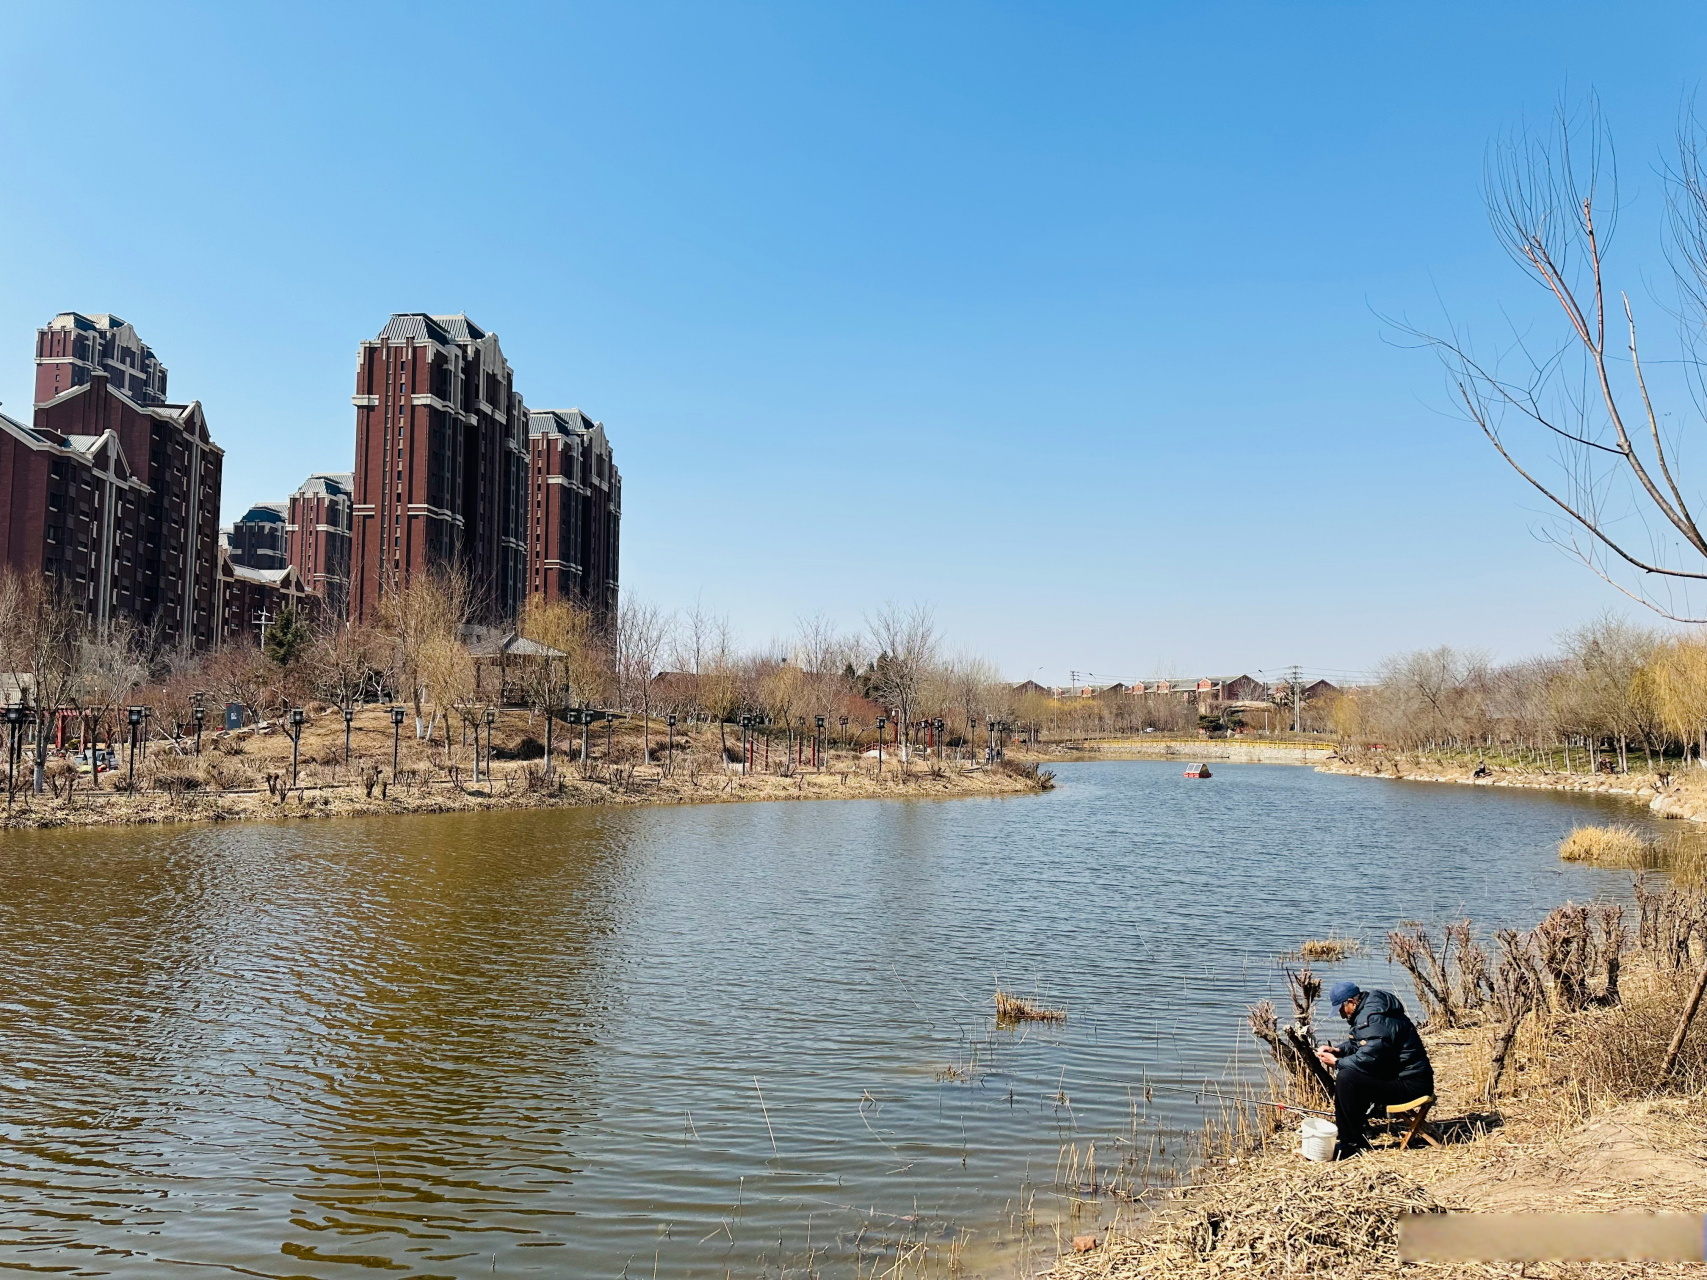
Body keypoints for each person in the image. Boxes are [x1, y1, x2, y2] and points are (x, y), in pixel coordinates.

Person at [1314, 980, 1433, 1159]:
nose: (1341, 1015)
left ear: (1352, 1002)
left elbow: (1370, 1058)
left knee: (1347, 1078)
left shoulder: (1372, 1018)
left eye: (1340, 1009)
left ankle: (1350, 1142)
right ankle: (1358, 1131)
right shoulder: (1372, 1012)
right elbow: (1363, 1044)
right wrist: (1338, 1050)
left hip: (1412, 1085)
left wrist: (1337, 1063)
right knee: (1353, 1074)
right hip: (1409, 1079)